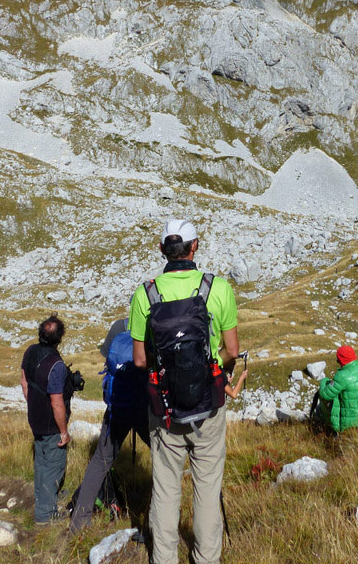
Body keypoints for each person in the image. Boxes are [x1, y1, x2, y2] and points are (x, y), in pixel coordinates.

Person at [129, 219, 239, 564]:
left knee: (165, 488)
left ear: (163, 250)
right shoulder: (217, 288)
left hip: (164, 409)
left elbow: (138, 360)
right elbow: (232, 350)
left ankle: (163, 559)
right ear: (195, 247)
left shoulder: (146, 293)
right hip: (210, 405)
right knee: (207, 487)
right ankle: (206, 558)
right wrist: (212, 368)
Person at [69, 320, 150, 533]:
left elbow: (109, 363)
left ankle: (78, 523)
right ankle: (156, 522)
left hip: (118, 407)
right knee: (164, 459)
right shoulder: (155, 326)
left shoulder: (118, 327)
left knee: (101, 460)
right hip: (146, 406)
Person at [21, 315, 71, 525]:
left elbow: (24, 382)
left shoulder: (30, 351)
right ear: (60, 339)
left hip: (34, 415)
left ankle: (47, 495)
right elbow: (57, 403)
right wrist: (64, 431)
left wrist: (33, 403)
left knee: (41, 459)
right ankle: (45, 514)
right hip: (51, 423)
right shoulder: (56, 365)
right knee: (54, 462)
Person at [317, 345, 358, 433]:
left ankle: (329, 429)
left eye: (338, 359)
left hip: (354, 424)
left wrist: (324, 382)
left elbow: (325, 395)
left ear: (341, 360)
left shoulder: (342, 376)